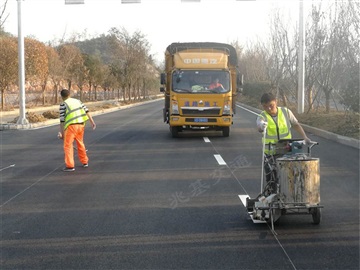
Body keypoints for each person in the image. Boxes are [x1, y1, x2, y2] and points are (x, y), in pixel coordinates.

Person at [256, 93, 311, 191]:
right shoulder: (262, 116)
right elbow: (259, 126)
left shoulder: (286, 112)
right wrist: (261, 126)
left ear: (276, 102)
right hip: (270, 154)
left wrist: (305, 137)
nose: (268, 109)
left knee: (289, 177)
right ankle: (272, 197)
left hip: (286, 151)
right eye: (265, 106)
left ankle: (287, 197)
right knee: (271, 179)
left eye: (271, 105)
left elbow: (296, 124)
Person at [59, 89, 96, 172]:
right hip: (81, 125)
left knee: (67, 146)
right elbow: (87, 111)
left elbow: (62, 120)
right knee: (80, 143)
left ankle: (70, 166)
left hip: (71, 127)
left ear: (62, 96)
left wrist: (62, 133)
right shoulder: (78, 101)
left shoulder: (63, 104)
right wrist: (92, 122)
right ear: (69, 95)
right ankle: (85, 162)